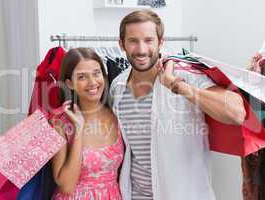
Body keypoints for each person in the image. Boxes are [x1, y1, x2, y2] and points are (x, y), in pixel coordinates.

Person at [110, 10, 246, 200]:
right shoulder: (117, 85)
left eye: (148, 40)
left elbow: (237, 113)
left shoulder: (185, 75)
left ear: (161, 42)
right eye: (133, 41)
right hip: (134, 195)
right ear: (121, 44)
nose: (141, 49)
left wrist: (178, 86)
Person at [50, 48, 124, 200]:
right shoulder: (60, 122)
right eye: (82, 77)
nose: (92, 82)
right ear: (69, 84)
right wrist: (79, 130)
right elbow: (67, 186)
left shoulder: (117, 113)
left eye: (97, 73)